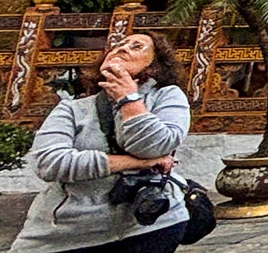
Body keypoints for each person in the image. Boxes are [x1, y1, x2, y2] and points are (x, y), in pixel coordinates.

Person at [10, 32, 190, 253]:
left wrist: (129, 100)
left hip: (147, 226)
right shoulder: (73, 109)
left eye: (137, 47)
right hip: (66, 233)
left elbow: (153, 147)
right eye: (118, 45)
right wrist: (135, 163)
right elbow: (49, 163)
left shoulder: (167, 97)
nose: (122, 49)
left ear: (154, 66)